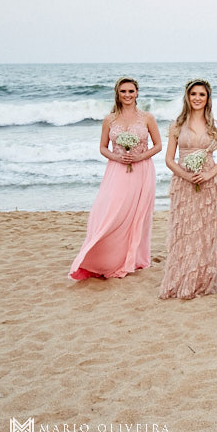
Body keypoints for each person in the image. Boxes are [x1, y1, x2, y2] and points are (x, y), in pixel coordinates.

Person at [70, 76, 161, 280]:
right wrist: (118, 157)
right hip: (116, 170)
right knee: (111, 211)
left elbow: (158, 145)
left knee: (137, 214)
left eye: (131, 91)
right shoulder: (109, 119)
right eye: (123, 91)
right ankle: (102, 257)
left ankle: (133, 258)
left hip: (142, 169)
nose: (127, 95)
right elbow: (103, 147)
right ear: (117, 94)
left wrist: (139, 156)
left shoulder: (147, 118)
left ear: (137, 93)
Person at [158, 79, 217, 299]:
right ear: (187, 97)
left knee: (206, 232)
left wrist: (208, 174)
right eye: (193, 94)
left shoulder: (215, 125)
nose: (197, 98)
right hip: (183, 183)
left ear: (208, 99)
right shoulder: (177, 125)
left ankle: (202, 280)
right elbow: (169, 159)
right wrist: (187, 175)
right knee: (185, 231)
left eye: (202, 95)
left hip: (209, 184)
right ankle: (182, 277)